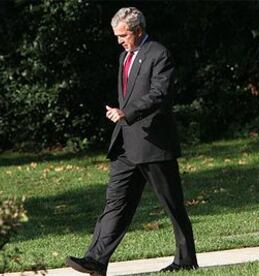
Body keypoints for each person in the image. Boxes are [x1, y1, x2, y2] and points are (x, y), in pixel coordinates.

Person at [66, 7, 198, 276]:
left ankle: (186, 260)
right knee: (115, 203)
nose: (119, 41)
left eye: (123, 35)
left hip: (154, 144)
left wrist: (128, 112)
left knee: (172, 204)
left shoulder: (159, 55)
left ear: (138, 31)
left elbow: (160, 95)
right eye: (117, 36)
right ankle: (95, 260)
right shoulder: (123, 57)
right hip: (126, 144)